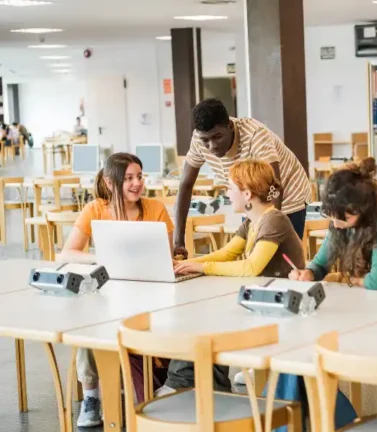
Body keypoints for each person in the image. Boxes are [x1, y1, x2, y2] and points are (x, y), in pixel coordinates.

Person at [157, 160, 306, 396]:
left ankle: (187, 385)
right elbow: (228, 253)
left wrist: (203, 267)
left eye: (229, 188)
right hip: (262, 299)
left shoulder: (273, 219)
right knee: (203, 314)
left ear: (247, 193)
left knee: (208, 318)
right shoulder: (252, 221)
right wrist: (192, 263)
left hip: (280, 308)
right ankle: (188, 383)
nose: (226, 193)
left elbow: (252, 267)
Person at [60, 153, 174, 428]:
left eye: (140, 176)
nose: (137, 183)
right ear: (111, 183)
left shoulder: (156, 209)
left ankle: (153, 382)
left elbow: (166, 258)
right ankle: (91, 397)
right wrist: (101, 261)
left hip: (149, 291)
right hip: (110, 291)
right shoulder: (95, 210)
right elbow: (67, 252)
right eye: (130, 178)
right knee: (88, 324)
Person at [173, 98, 311, 259]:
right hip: (252, 200)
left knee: (279, 261)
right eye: (206, 140)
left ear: (230, 127)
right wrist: (179, 242)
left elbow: (274, 186)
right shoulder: (198, 139)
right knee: (254, 258)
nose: (212, 146)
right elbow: (186, 185)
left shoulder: (254, 135)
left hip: (288, 196)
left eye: (218, 137)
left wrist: (271, 230)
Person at [289, 157, 377, 289]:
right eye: (332, 216)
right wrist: (309, 273)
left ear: (363, 209)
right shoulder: (340, 219)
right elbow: (320, 264)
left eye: (344, 218)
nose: (336, 224)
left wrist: (355, 281)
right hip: (360, 298)